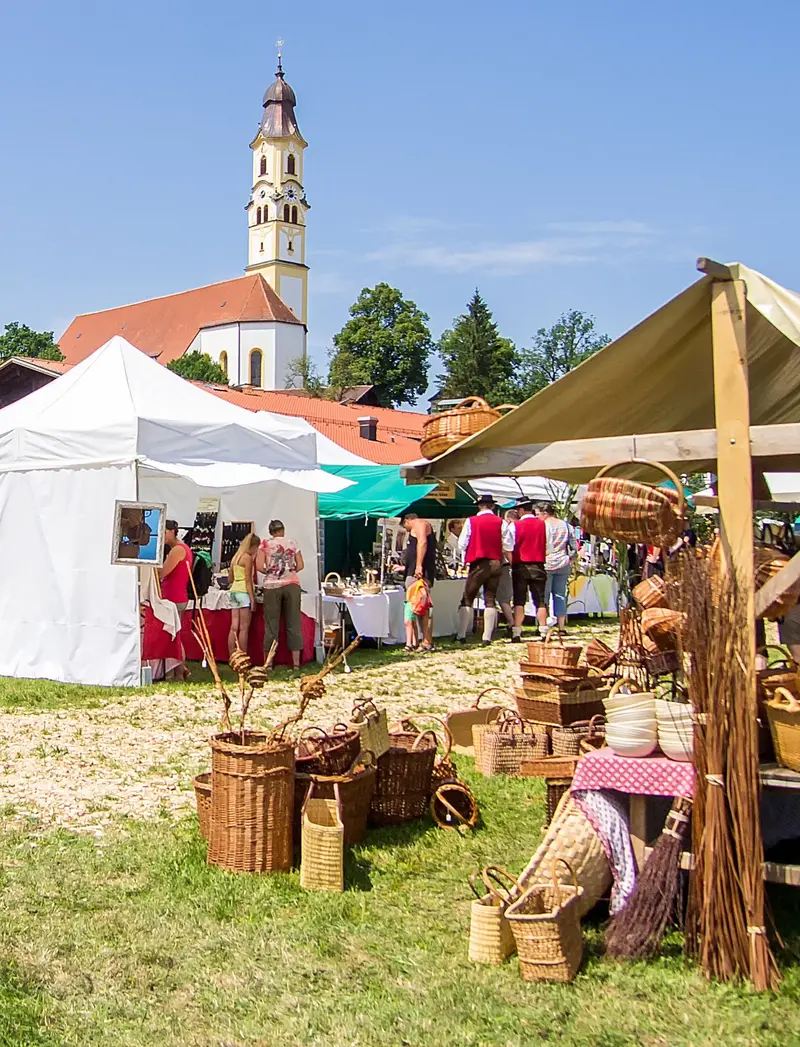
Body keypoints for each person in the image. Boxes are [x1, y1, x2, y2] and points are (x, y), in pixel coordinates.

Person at [456, 494, 513, 645]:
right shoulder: (500, 522)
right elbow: (508, 545)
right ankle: (486, 637)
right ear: (492, 506)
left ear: (479, 506)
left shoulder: (471, 521)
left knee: (468, 598)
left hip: (479, 562)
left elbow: (462, 544)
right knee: (490, 599)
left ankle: (461, 634)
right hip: (495, 562)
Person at [255, 520, 305, 670]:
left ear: (271, 532)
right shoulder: (292, 542)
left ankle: (269, 663)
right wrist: (289, 571)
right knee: (294, 623)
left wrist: (270, 572)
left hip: (271, 585)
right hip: (291, 584)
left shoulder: (264, 544)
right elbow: (301, 565)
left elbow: (259, 566)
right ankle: (296, 663)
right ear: (283, 530)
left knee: (271, 624)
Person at [159, 519, 194, 680]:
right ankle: (179, 669)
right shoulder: (179, 549)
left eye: (165, 532)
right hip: (173, 595)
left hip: (174, 597)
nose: (163, 536)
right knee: (173, 635)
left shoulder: (178, 550)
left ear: (173, 531)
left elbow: (163, 572)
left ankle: (178, 670)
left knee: (174, 636)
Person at [510, 498, 547, 642]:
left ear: (520, 510)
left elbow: (508, 545)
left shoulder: (515, 526)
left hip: (521, 565)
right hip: (538, 564)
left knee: (519, 600)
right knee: (540, 600)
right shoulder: (543, 525)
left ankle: (516, 631)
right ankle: (543, 630)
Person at [400, 512, 436, 653]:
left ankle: (427, 641)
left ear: (408, 520)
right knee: (416, 608)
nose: (406, 529)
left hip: (420, 574)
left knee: (423, 606)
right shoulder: (415, 528)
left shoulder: (421, 524)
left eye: (405, 525)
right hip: (413, 572)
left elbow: (422, 542)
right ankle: (416, 641)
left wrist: (419, 565)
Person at [539, 502, 575, 634]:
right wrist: (570, 559)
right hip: (563, 561)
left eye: (538, 514)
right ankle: (561, 626)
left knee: (545, 595)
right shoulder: (566, 525)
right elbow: (573, 546)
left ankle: (544, 625)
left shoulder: (543, 525)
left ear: (545, 513)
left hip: (547, 562)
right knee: (560, 595)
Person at [227, 532, 259, 657]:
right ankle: (243, 655)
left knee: (233, 626)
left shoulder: (236, 557)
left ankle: (232, 655)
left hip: (234, 591)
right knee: (244, 628)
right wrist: (253, 598)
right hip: (243, 592)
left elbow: (230, 578)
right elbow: (248, 580)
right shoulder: (247, 558)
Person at [495, 509, 519, 638]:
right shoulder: (516, 528)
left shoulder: (508, 529)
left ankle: (512, 623)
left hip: (505, 564)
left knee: (503, 598)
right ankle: (512, 622)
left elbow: (506, 548)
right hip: (512, 564)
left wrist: (512, 564)